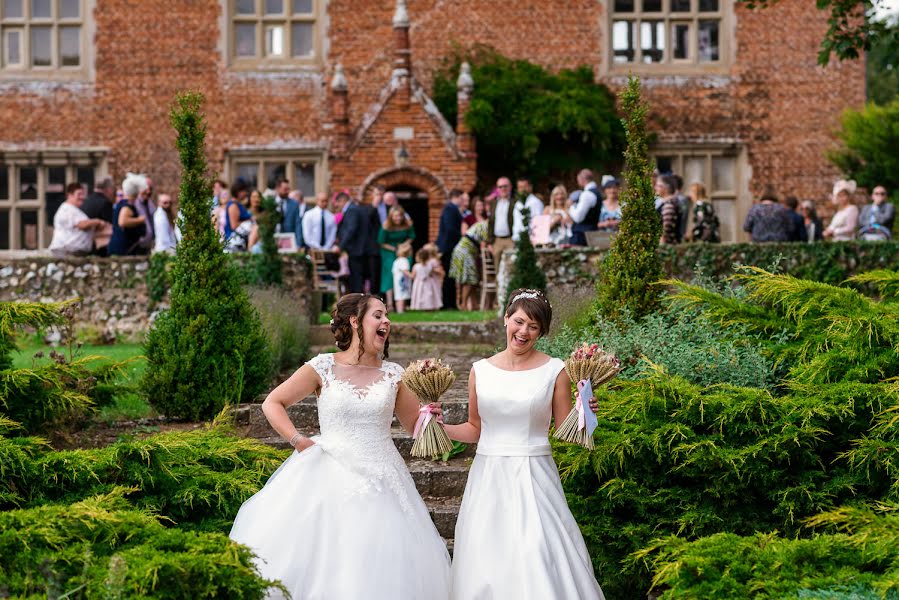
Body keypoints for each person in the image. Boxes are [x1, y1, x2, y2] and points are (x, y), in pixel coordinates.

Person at [229, 294, 450, 600]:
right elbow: (273, 402)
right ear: (355, 321)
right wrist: (298, 440)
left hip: (383, 479)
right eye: (378, 315)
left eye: (387, 316)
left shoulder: (395, 375)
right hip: (326, 473)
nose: (386, 321)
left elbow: (418, 428)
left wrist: (430, 402)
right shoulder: (323, 367)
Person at [444, 289, 605, 600]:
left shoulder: (555, 370)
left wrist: (583, 412)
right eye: (518, 322)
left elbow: (565, 430)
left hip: (535, 475)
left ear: (541, 331)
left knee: (537, 550)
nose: (523, 332)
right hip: (488, 476)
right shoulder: (480, 370)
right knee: (486, 557)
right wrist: (438, 427)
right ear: (506, 319)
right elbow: (475, 428)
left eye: (533, 326)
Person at [49, 182, 107, 257]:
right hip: (67, 252)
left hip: (72, 251)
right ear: (70, 195)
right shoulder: (67, 209)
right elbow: (82, 225)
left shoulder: (75, 210)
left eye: (83, 194)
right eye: (79, 194)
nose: (82, 197)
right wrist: (97, 221)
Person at [378, 207, 416, 310]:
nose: (398, 218)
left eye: (399, 216)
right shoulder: (386, 226)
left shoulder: (407, 224)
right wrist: (395, 249)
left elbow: (411, 237)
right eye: (395, 216)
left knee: (404, 275)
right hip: (389, 251)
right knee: (390, 275)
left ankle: (403, 303)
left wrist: (404, 246)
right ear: (391, 217)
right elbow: (381, 242)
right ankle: (390, 303)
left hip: (404, 250)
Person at [449, 219, 489, 312]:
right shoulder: (484, 226)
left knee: (472, 279)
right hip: (464, 252)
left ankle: (474, 305)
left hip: (463, 251)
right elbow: (485, 243)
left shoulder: (481, 225)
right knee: (469, 280)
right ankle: (464, 305)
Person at [436, 189, 466, 310]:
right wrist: (461, 236)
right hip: (449, 247)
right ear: (456, 197)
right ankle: (448, 303)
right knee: (449, 276)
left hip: (449, 246)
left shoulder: (452, 209)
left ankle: (450, 303)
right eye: (462, 198)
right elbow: (449, 229)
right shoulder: (450, 209)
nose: (463, 201)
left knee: (451, 275)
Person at [108, 173, 148, 256]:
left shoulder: (121, 204)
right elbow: (122, 222)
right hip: (123, 249)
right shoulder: (127, 206)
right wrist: (140, 220)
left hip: (120, 247)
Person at [81, 177, 115, 255]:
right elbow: (110, 225)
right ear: (108, 189)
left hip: (85, 242)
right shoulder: (106, 203)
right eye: (112, 189)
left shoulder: (86, 201)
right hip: (100, 246)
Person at [486, 177, 515, 264]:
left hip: (511, 239)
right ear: (497, 189)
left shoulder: (515, 202)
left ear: (510, 187)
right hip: (497, 240)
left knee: (511, 268)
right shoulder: (493, 204)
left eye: (505, 186)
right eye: (500, 187)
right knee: (498, 269)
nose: (503, 189)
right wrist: (490, 242)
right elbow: (490, 223)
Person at [568, 169, 601, 246]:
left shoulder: (586, 194)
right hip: (592, 233)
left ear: (582, 179)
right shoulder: (597, 193)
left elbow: (578, 218)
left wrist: (571, 206)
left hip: (581, 237)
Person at [410, 244, 444, 311]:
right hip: (429, 282)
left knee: (421, 294)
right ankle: (430, 307)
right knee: (428, 295)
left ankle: (422, 307)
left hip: (419, 283)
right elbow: (434, 271)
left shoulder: (416, 266)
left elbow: (412, 276)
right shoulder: (430, 265)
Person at [274, 178, 304, 248]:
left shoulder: (294, 204)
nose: (287, 191)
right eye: (285, 189)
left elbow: (298, 224)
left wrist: (298, 243)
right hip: (274, 238)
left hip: (289, 239)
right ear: (278, 188)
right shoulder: (271, 203)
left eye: (288, 189)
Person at [514, 177, 545, 241]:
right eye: (520, 187)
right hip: (518, 239)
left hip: (531, 240)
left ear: (530, 187)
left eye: (525, 186)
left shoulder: (536, 203)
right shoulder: (518, 204)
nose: (522, 189)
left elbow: (538, 223)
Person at [133, 175, 156, 255]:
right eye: (146, 188)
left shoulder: (150, 203)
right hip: (138, 245)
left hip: (149, 244)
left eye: (151, 189)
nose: (148, 191)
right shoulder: (134, 203)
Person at [656, 175, 683, 245]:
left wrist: (660, 248)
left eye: (658, 186)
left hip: (667, 247)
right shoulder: (670, 202)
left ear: (666, 188)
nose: (655, 188)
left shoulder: (669, 204)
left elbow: (666, 230)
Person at [391, 241, 413, 313]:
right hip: (402, 281)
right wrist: (411, 275)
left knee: (399, 296)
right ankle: (400, 310)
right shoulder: (404, 260)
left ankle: (400, 310)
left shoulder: (397, 260)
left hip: (397, 281)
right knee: (401, 296)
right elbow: (405, 271)